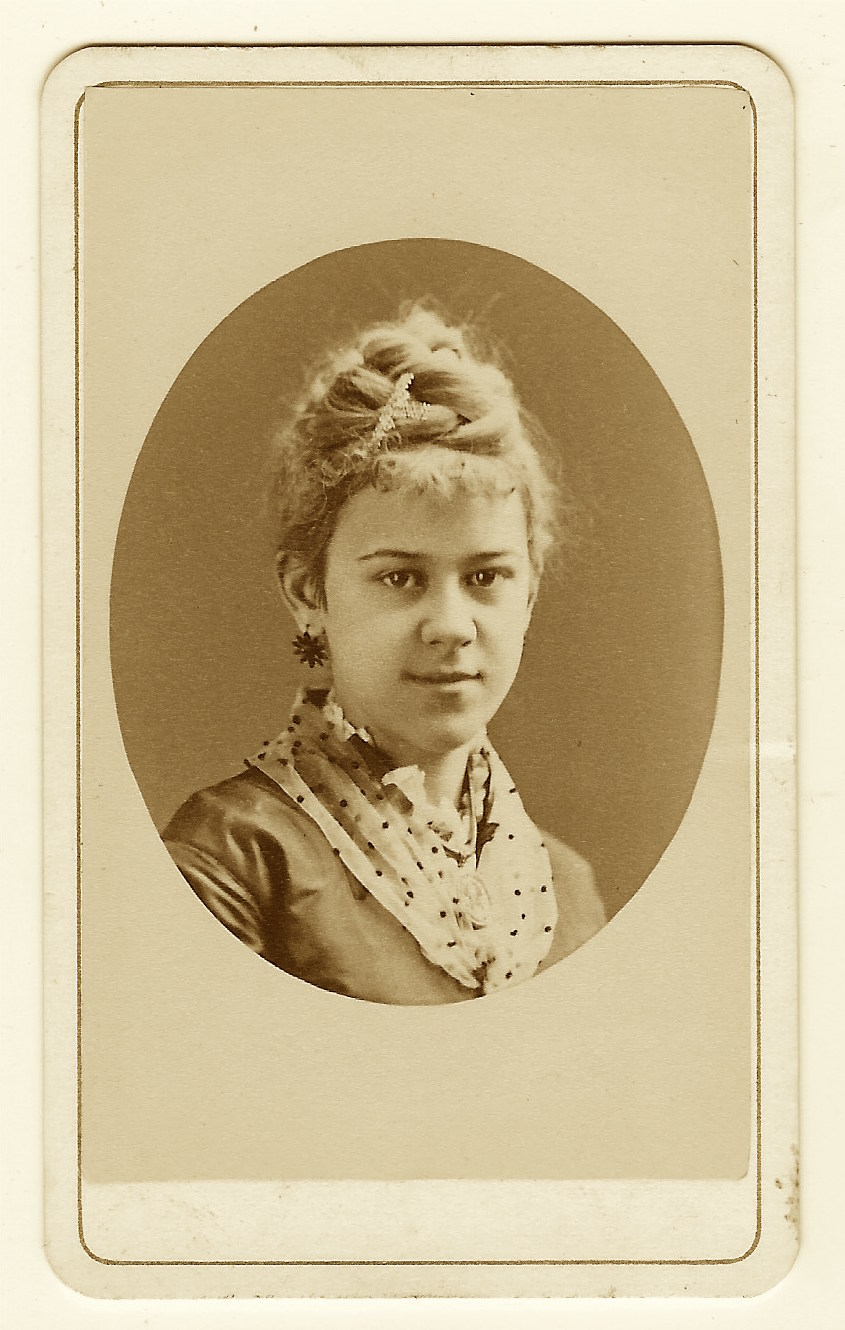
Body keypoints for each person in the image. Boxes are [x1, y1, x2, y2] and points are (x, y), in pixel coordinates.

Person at [162, 304, 606, 1003]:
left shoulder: (567, 890)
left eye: (486, 577)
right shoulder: (235, 858)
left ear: (529, 592)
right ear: (308, 591)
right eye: (399, 578)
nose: (451, 626)